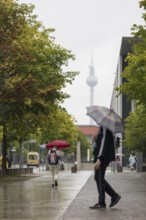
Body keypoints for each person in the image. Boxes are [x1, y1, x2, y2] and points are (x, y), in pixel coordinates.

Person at [90, 126, 121, 209]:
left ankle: (102, 202)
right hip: (102, 157)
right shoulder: (102, 128)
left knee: (99, 178)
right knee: (97, 177)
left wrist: (99, 158)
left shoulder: (105, 128)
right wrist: (96, 136)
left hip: (102, 157)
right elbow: (100, 143)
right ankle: (113, 196)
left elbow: (104, 145)